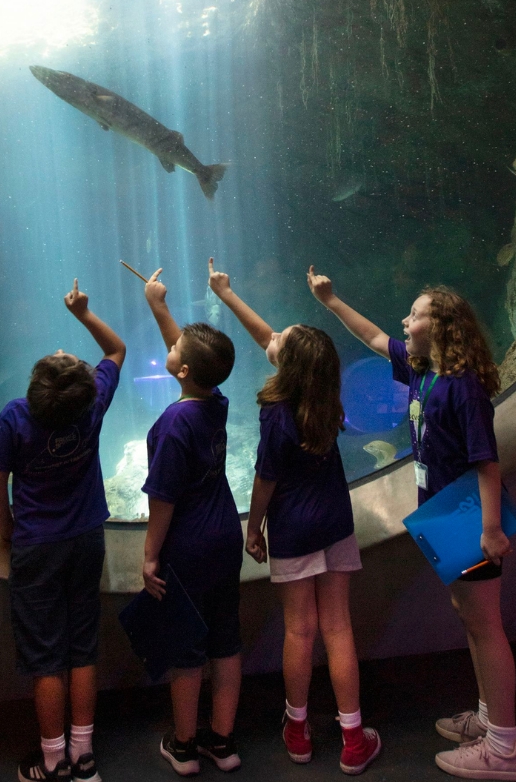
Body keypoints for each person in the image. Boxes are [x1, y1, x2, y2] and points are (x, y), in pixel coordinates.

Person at [310, 269, 516, 782]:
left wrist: (491, 530)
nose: (405, 322)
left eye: (415, 314)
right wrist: (331, 300)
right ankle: (488, 719)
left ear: (443, 326)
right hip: (444, 512)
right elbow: (371, 336)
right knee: (468, 615)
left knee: (485, 624)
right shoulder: (422, 370)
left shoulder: (463, 388)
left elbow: (487, 462)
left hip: (466, 514)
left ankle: (504, 748)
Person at [208, 259, 382, 775]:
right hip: (335, 523)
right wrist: (227, 294)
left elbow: (266, 479)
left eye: (284, 338)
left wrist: (254, 527)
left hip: (294, 529)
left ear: (287, 366)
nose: (276, 335)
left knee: (300, 632)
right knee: (338, 629)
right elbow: (269, 336)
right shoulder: (324, 400)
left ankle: (298, 729)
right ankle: (353, 737)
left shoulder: (277, 412)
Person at [0, 279, 126, 782]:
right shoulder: (92, 406)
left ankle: (52, 760)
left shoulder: (17, 416)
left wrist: (6, 528)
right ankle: (84, 755)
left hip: (37, 546)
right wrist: (83, 314)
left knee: (46, 656)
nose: (64, 352)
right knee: (82, 646)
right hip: (86, 539)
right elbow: (115, 350)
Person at [140, 267, 244, 776]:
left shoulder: (174, 423)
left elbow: (163, 500)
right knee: (225, 643)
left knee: (187, 650)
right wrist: (159, 307)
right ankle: (221, 743)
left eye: (178, 347)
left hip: (187, 546)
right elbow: (190, 360)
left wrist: (149, 556)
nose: (173, 343)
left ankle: (183, 748)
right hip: (225, 537)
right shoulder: (215, 402)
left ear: (182, 371)